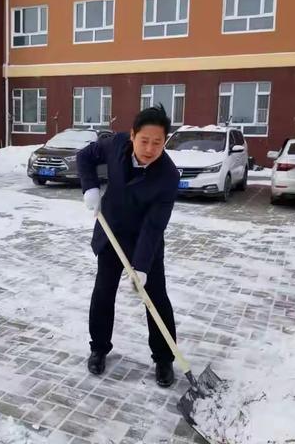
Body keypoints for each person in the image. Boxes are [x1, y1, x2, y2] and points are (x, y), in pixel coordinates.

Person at [76, 105, 180, 387]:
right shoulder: (117, 144)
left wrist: (142, 266)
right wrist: (90, 188)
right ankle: (98, 348)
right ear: (133, 135)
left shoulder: (168, 176)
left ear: (164, 142)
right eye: (144, 140)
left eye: (157, 142)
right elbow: (84, 157)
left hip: (145, 241)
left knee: (155, 297)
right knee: (103, 292)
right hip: (111, 234)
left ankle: (164, 359)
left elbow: (154, 225)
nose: (149, 148)